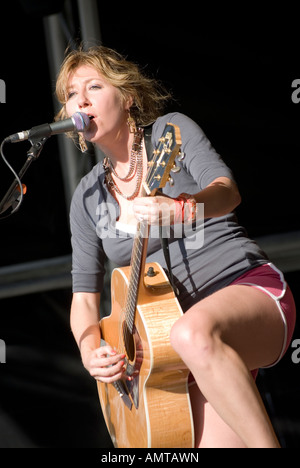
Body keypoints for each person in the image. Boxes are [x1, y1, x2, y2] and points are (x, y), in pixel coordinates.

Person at [55, 45, 296, 448]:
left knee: (191, 332)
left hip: (247, 291)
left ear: (128, 97)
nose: (80, 100)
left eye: (93, 86)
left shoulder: (170, 132)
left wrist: (182, 210)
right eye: (70, 94)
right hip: (177, 352)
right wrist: (89, 347)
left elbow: (227, 193)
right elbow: (83, 298)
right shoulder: (86, 197)